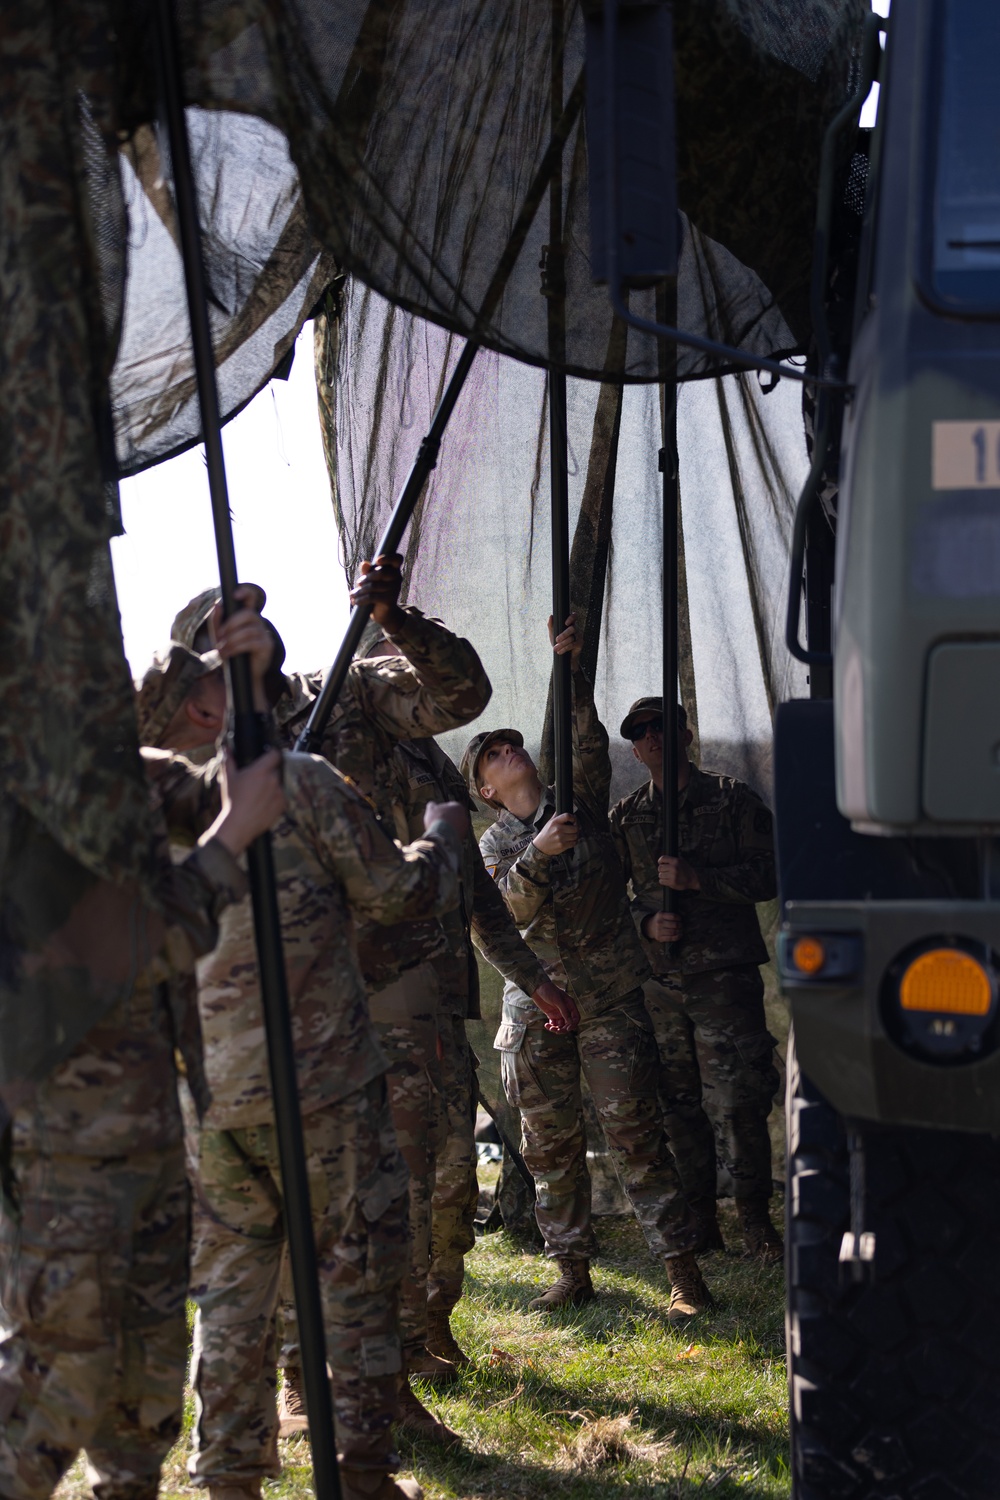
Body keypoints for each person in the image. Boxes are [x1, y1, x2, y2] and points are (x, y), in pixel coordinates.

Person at [141, 599, 474, 1500]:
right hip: (323, 1088)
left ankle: (233, 1483)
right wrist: (443, 839)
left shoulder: (124, 812)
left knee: (233, 1307)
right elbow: (400, 894)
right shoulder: (299, 782)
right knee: (354, 1280)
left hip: (209, 1107)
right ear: (210, 704)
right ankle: (361, 1477)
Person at [0, 695, 285, 1500]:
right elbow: (116, 948)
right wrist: (229, 840)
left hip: (151, 1135)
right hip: (56, 1148)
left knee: (143, 1392)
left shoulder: (121, 776)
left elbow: (248, 790)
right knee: (55, 1386)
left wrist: (250, 689)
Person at [462, 618, 713, 1321]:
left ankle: (683, 1274)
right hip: (536, 1009)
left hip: (607, 1001)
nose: (507, 751)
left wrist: (567, 670)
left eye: (512, 743)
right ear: (484, 788)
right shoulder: (492, 843)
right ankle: (570, 1270)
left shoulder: (584, 805)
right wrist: (539, 852)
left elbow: (582, 738)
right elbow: (501, 912)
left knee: (636, 1134)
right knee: (549, 1145)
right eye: (492, 754)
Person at [383, 725, 579, 1373]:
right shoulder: (324, 776)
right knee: (379, 1196)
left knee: (453, 1186)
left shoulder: (440, 795)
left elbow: (484, 915)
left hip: (437, 1021)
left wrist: (537, 983)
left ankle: (431, 1331)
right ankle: (345, 1359)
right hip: (359, 1030)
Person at [609, 697, 781, 1259]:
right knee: (677, 1108)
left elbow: (770, 873)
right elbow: (605, 899)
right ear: (634, 747)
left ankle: (756, 1224)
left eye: (660, 725)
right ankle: (701, 1225)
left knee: (737, 1102)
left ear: (684, 732)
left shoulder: (731, 799)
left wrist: (697, 879)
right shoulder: (627, 816)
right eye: (639, 731)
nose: (651, 736)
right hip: (659, 987)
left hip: (723, 981)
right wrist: (643, 921)